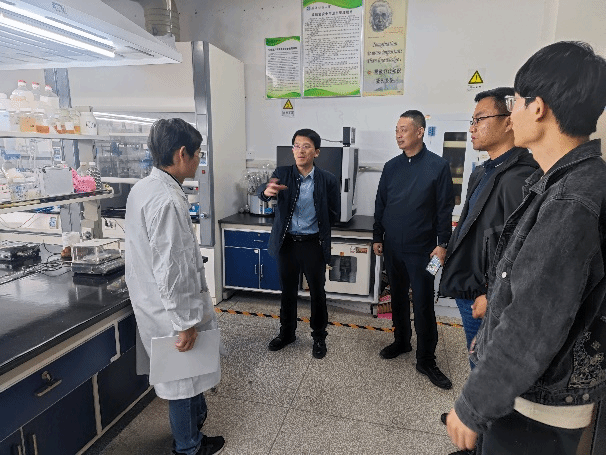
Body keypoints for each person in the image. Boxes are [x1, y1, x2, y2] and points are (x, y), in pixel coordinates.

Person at [446, 41, 606, 455]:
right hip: (526, 389)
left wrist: (472, 406)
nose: (510, 113)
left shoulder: (572, 199)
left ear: (538, 108)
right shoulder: (560, 181)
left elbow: (533, 319)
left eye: (515, 102)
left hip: (537, 403)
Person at [125, 118, 225, 455]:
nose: (199, 160)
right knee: (182, 381)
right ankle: (188, 447)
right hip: (170, 309)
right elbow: (173, 270)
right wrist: (184, 322)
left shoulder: (144, 188)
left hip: (154, 301)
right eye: (198, 154)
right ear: (182, 153)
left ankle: (194, 433)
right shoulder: (167, 200)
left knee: (186, 375)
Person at [440, 87, 538, 363]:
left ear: (509, 121)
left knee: (487, 365)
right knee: (476, 358)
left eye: (480, 119)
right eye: (472, 121)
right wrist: (448, 247)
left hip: (487, 297)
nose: (472, 128)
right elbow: (471, 224)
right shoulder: (483, 171)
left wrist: (493, 296)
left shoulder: (521, 179)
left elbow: (524, 253)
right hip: (469, 286)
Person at [373, 110, 455, 389]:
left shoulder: (438, 166)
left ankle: (426, 359)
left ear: (420, 132)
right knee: (396, 297)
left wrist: (442, 245)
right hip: (393, 248)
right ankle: (401, 341)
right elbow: (381, 203)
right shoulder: (391, 167)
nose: (398, 135)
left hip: (423, 251)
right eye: (396, 129)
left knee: (422, 304)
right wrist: (378, 236)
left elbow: (444, 209)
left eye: (404, 129)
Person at [258, 129, 340, 359]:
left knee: (317, 293)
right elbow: (264, 192)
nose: (300, 150)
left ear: (316, 152)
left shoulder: (327, 179)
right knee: (288, 292)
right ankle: (287, 333)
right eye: (296, 145)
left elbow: (334, 213)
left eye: (306, 146)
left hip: (313, 243)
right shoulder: (282, 174)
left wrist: (319, 224)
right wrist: (267, 192)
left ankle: (319, 336)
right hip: (288, 244)